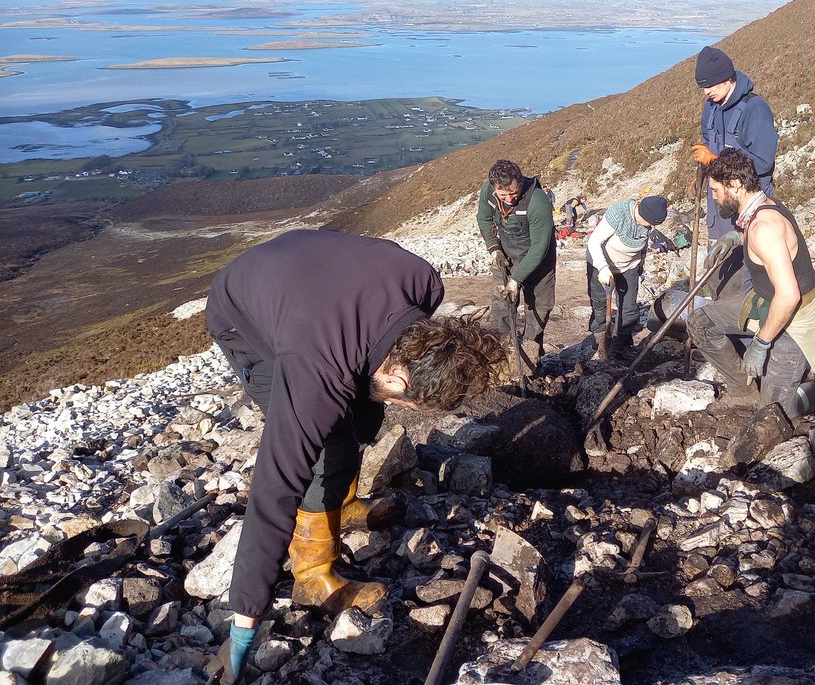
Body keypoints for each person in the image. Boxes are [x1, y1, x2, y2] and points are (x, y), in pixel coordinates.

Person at [205, 229, 507, 683]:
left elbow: (370, 381)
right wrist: (245, 619)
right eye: (406, 403)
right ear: (404, 382)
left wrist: (364, 418)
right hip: (242, 309)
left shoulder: (423, 284)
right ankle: (312, 571)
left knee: (358, 414)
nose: (400, 407)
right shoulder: (314, 369)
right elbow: (275, 485)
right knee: (327, 447)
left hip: (304, 272)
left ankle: (340, 507)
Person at [686, 149, 815, 460]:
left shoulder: (764, 228)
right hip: (763, 304)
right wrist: (734, 238)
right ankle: (743, 390)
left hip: (792, 318)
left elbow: (789, 296)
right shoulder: (760, 206)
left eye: (716, 191)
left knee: (777, 413)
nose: (714, 199)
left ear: (733, 184)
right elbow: (758, 236)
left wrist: (761, 344)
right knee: (701, 323)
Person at [690, 45, 779, 296]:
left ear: (728, 79)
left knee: (747, 266)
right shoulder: (712, 106)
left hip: (747, 201)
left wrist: (714, 161)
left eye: (712, 86)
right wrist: (700, 175)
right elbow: (707, 141)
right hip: (719, 202)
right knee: (718, 263)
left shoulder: (754, 109)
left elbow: (762, 162)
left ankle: (745, 323)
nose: (707, 92)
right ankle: (717, 312)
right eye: (703, 87)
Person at [476, 159, 556, 370]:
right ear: (494, 188)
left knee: (539, 308)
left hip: (539, 261)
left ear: (520, 182)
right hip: (507, 254)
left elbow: (539, 248)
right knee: (502, 306)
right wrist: (494, 248)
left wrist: (516, 279)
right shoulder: (488, 192)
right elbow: (484, 219)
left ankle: (530, 360)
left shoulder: (537, 201)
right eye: (504, 195)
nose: (510, 199)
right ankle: (503, 357)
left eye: (514, 192)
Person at [586, 195, 669, 358]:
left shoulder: (647, 225)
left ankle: (621, 344)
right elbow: (594, 242)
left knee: (629, 308)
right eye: (651, 223)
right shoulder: (619, 214)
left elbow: (643, 244)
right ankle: (600, 339)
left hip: (628, 266)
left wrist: (641, 262)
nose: (652, 228)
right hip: (601, 264)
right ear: (643, 213)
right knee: (600, 303)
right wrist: (603, 267)